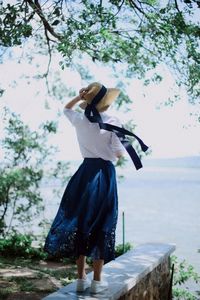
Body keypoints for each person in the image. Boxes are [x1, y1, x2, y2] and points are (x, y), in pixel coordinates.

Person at [44, 82, 148, 294]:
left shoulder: (80, 120)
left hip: (83, 175)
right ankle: (97, 281)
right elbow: (119, 153)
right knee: (103, 223)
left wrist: (78, 97)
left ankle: (81, 278)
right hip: (103, 176)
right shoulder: (113, 121)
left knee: (82, 223)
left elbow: (66, 109)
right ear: (105, 103)